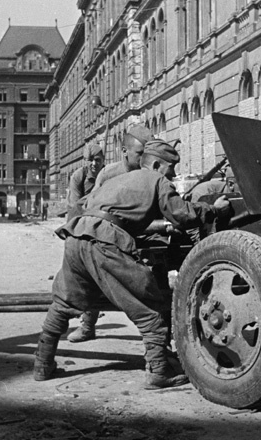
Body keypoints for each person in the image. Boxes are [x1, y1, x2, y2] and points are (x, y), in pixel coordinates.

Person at [33, 139, 231, 389]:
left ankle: (42, 364)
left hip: (76, 236)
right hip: (103, 239)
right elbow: (181, 214)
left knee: (63, 302)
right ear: (158, 165)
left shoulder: (116, 179)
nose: (174, 174)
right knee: (151, 305)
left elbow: (82, 207)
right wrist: (213, 209)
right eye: (171, 169)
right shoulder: (158, 181)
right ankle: (159, 371)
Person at [66, 124, 154, 343]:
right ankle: (87, 325)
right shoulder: (108, 173)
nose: (144, 159)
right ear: (125, 151)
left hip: (141, 232)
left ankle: (155, 335)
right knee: (92, 277)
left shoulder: (149, 172)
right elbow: (89, 204)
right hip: (108, 234)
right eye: (140, 154)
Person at [65, 143, 104, 220]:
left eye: (97, 160)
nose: (94, 163)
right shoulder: (78, 177)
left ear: (103, 159)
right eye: (90, 160)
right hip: (81, 215)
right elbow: (75, 206)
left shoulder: (110, 173)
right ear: (85, 161)